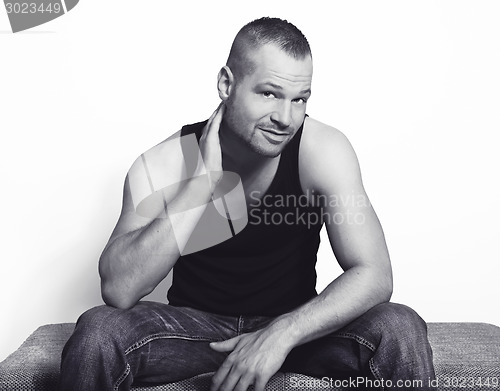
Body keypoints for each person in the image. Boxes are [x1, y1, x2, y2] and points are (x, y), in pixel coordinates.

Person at [60, 17, 436, 391]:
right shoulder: (163, 163)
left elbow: (374, 273)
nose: (285, 119)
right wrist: (198, 187)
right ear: (226, 84)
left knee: (399, 325)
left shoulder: (323, 152)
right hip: (195, 333)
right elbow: (119, 289)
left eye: (299, 99)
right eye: (269, 94)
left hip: (296, 332)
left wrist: (282, 333)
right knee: (98, 331)